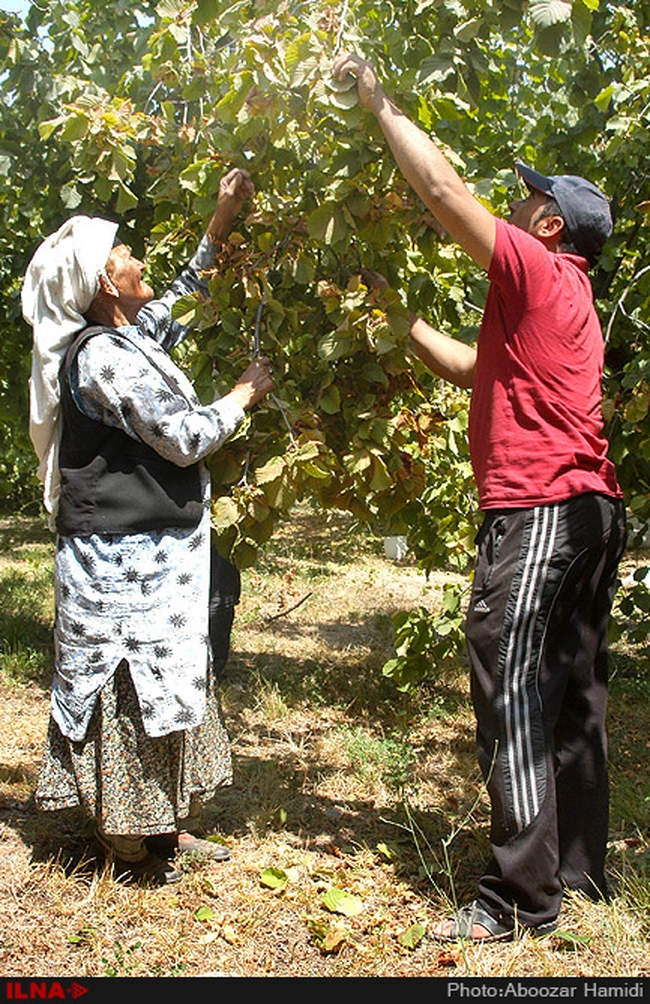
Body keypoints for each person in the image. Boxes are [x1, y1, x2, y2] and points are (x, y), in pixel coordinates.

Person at [333, 53, 626, 941]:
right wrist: (395, 317)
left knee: (513, 689)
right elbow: (470, 368)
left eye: (530, 198)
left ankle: (518, 901)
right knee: (572, 692)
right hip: (591, 513)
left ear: (550, 221)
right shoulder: (566, 304)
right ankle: (576, 874)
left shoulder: (537, 271)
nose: (516, 205)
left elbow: (444, 192)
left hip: (537, 511)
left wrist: (378, 103)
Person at [22, 167, 274, 884]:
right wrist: (242, 395)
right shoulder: (101, 357)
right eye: (127, 254)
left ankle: (161, 824)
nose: (139, 262)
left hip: (154, 562)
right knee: (129, 684)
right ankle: (127, 842)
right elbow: (184, 436)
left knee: (166, 678)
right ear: (105, 282)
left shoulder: (127, 337)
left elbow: (181, 301)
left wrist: (222, 221)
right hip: (119, 567)